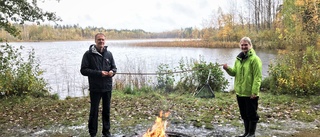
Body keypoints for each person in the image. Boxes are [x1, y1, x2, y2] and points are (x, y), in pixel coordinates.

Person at [222, 37, 262, 137]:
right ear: (240, 46)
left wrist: (254, 92)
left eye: (246, 45)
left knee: (251, 114)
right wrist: (227, 69)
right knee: (244, 114)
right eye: (242, 45)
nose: (244, 47)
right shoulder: (238, 59)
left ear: (250, 45)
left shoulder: (255, 59)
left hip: (250, 93)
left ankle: (251, 134)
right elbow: (234, 72)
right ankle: (246, 133)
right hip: (240, 92)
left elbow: (258, 77)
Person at [80, 33, 117, 137]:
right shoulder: (88, 54)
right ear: (95, 41)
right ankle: (92, 133)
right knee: (94, 111)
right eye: (99, 40)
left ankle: (106, 132)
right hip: (95, 88)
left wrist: (112, 72)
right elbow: (83, 70)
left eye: (103, 40)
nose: (101, 42)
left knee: (106, 111)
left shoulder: (109, 54)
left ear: (105, 41)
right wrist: (99, 73)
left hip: (107, 87)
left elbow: (114, 68)